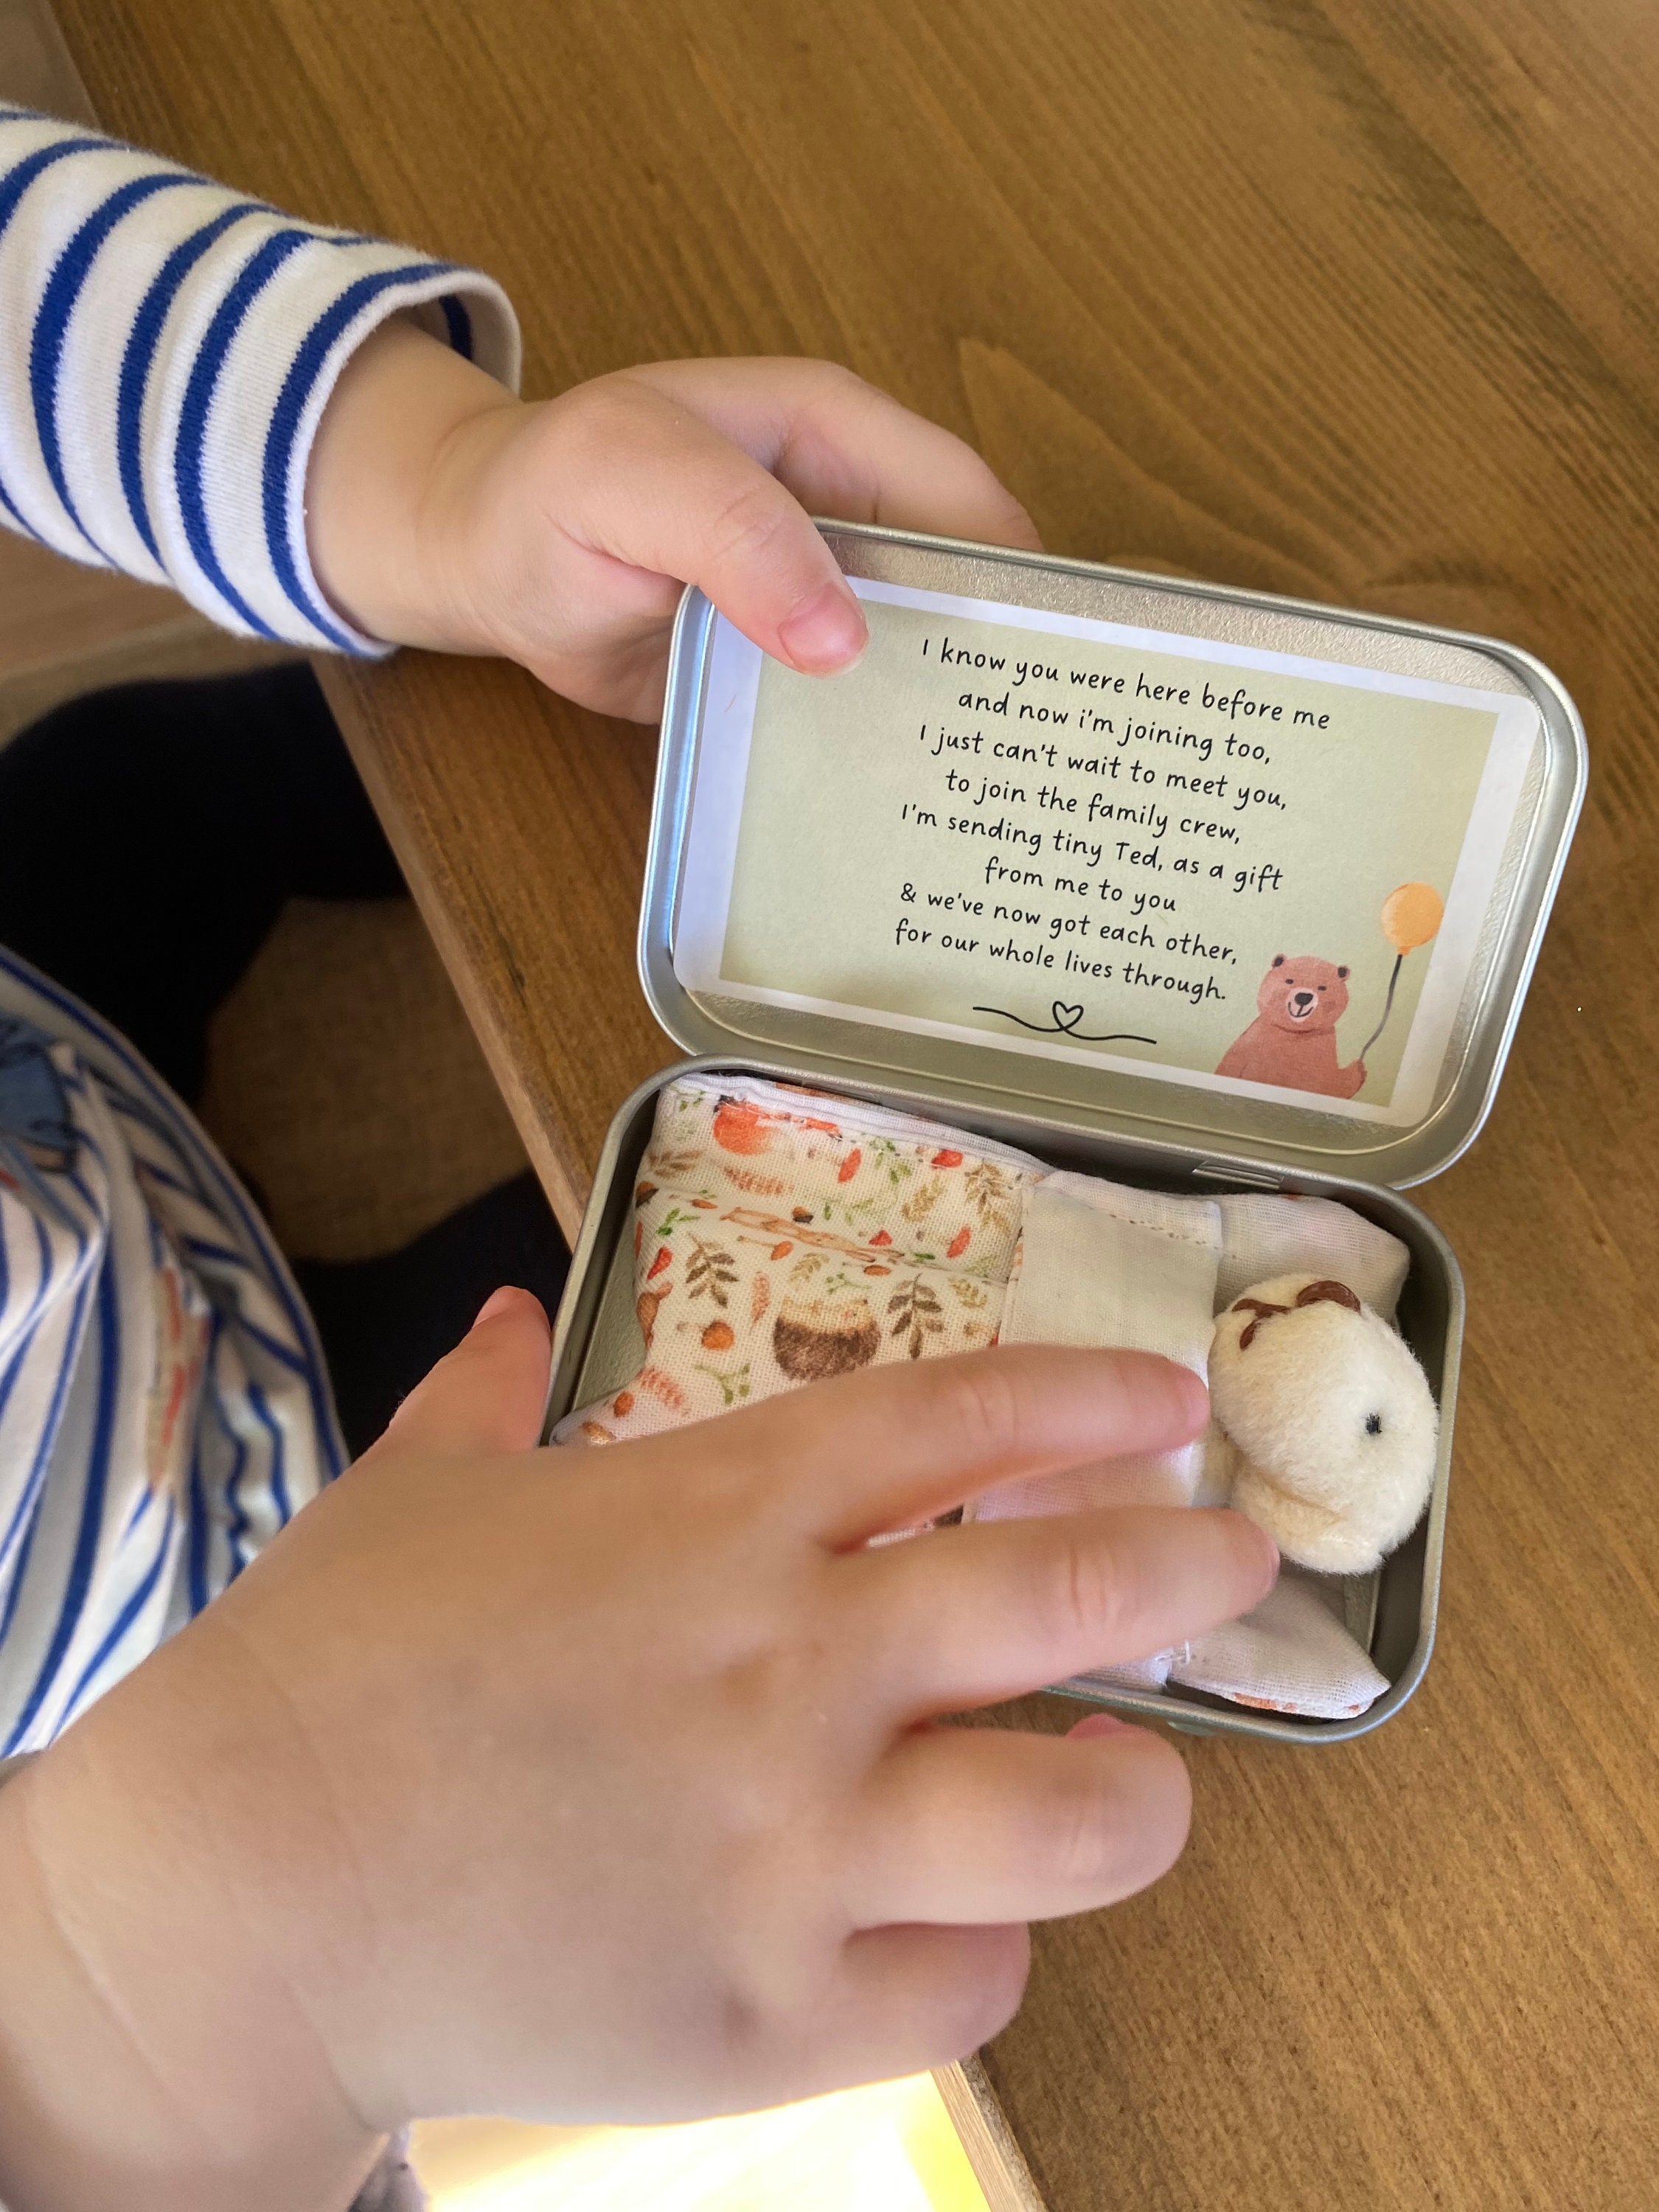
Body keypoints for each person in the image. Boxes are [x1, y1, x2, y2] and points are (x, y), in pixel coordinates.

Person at [0, 106, 1279, 2212]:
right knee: (670, 1337)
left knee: (131, 787)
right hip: (210, 1590)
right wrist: (152, 2008)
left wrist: (425, 482)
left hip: (43, 1047)